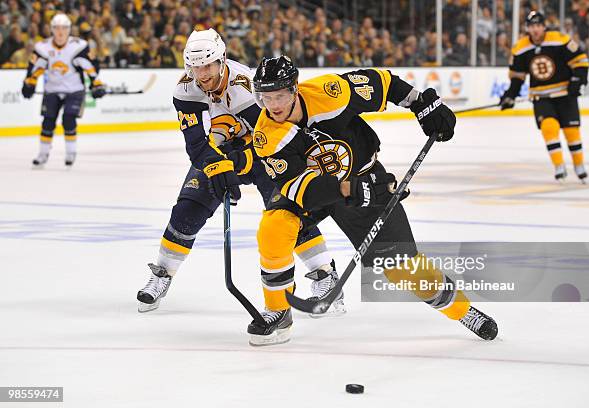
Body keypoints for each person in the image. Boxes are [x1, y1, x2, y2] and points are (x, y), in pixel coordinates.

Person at [246, 55, 499, 346]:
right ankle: (278, 312)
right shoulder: (266, 135)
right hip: (316, 187)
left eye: (279, 95)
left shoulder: (331, 93)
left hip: (366, 178)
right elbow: (298, 187)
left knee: (403, 268)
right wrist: (348, 190)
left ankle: (463, 311)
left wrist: (421, 103)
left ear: (294, 89)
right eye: (265, 97)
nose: (273, 105)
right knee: (275, 226)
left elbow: (384, 82)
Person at [136, 30, 343, 317]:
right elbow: (196, 144)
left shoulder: (244, 87)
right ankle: (162, 273)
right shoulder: (185, 89)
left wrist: (240, 160)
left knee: (285, 209)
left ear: (222, 61)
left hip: (264, 149)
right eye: (195, 66)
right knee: (189, 207)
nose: (201, 73)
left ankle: (324, 275)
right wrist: (219, 165)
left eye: (207, 65)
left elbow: (270, 138)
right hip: (218, 151)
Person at [500, 11, 589, 182]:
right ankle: (559, 166)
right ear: (527, 28)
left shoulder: (560, 39)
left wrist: (577, 82)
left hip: (565, 94)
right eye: (532, 26)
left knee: (572, 132)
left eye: (538, 26)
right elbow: (517, 77)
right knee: (549, 127)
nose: (535, 30)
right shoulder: (520, 48)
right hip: (541, 97)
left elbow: (580, 61)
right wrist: (510, 96)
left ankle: (579, 165)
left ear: (544, 27)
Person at [21, 13, 106, 168]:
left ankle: (70, 152)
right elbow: (34, 68)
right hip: (52, 89)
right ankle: (43, 154)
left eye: (64, 28)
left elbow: (91, 66)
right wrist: (29, 84)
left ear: (69, 29)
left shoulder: (79, 46)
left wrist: (97, 83)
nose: (60, 32)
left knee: (68, 119)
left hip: (74, 90)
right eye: (57, 28)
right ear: (52, 29)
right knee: (48, 122)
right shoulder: (42, 47)